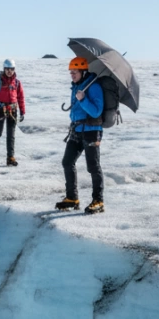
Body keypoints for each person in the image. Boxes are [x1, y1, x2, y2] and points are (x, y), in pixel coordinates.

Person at [56, 57, 106, 214]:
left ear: (83, 72)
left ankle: (98, 201)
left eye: (75, 72)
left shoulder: (94, 86)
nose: (72, 75)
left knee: (93, 166)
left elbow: (96, 111)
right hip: (77, 130)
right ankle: (72, 198)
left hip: (92, 131)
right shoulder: (77, 86)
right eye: (70, 72)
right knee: (67, 162)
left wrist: (83, 99)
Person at [0, 59, 26, 166]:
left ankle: (10, 158)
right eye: (7, 69)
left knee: (11, 135)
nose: (9, 71)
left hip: (12, 110)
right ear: (4, 69)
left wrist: (22, 111)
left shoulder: (17, 83)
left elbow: (21, 98)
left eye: (11, 69)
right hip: (0, 110)